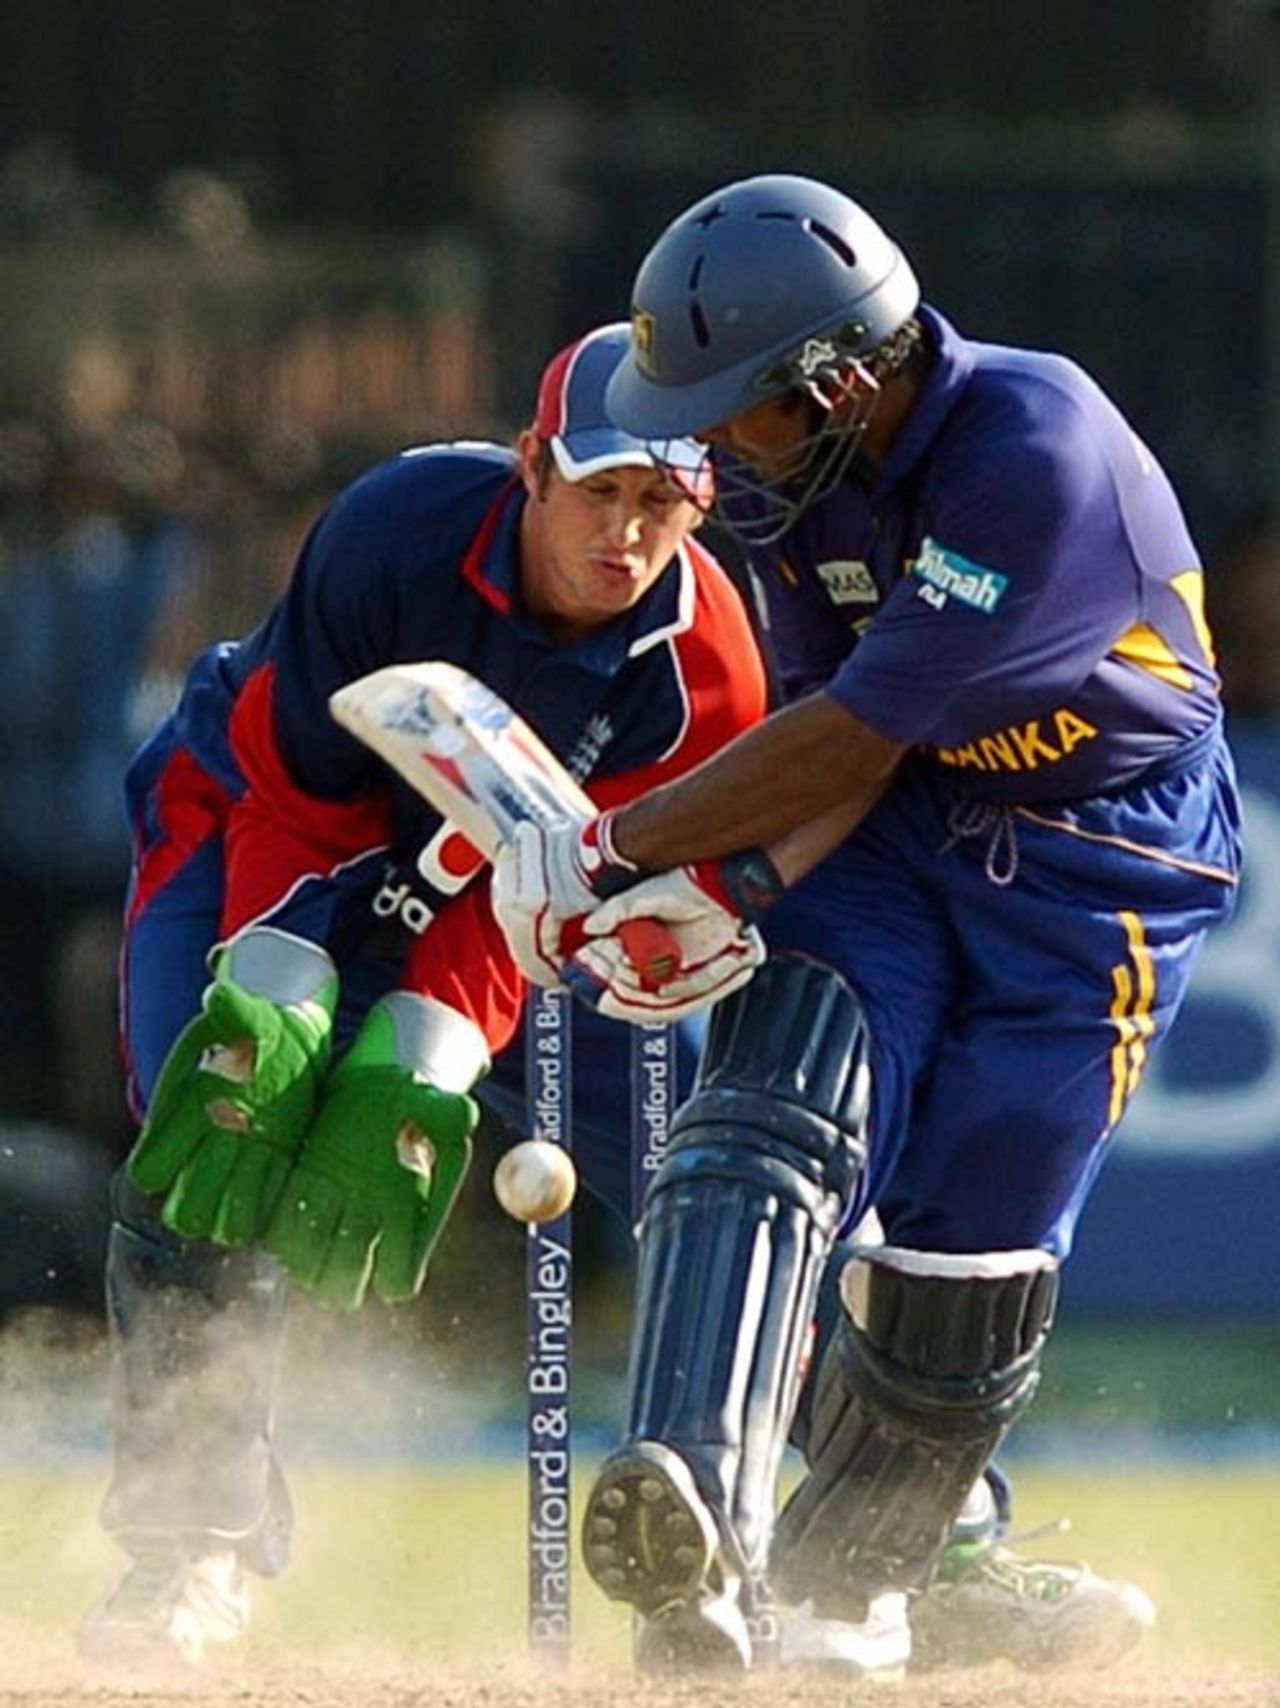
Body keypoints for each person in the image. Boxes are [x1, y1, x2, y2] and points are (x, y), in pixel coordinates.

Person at [489, 174, 1243, 1677]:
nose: (704, 447)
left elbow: (850, 730)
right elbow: (857, 747)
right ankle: (695, 1492)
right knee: (773, 1103)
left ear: (837, 379)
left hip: (1105, 862)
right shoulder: (802, 479)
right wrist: (735, 890)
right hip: (901, 831)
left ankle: (862, 1583)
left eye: (728, 412)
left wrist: (606, 849)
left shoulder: (1037, 450)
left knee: (972, 1249)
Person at [79, 321, 771, 1666]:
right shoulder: (396, 528)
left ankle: (875, 1529)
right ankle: (188, 1556)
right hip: (261, 818)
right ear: (532, 465)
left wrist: (430, 1047)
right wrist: (280, 999)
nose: (624, 535)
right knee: (207, 1131)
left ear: (700, 503)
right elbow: (294, 798)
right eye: (598, 491)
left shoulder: (710, 685)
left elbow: (548, 912)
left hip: (510, 923)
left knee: (721, 1175)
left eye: (659, 502)